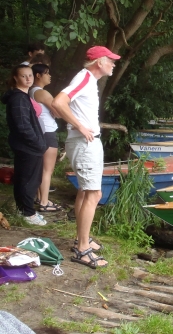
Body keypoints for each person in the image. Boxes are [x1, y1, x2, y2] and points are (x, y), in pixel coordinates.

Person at [52, 46, 120, 269]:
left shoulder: (88, 80)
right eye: (111, 60)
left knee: (85, 190)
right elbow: (58, 102)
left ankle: (83, 238)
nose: (113, 64)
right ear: (99, 62)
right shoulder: (85, 78)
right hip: (84, 142)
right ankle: (82, 250)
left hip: (88, 141)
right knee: (94, 192)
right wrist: (80, 126)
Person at [1, 65, 48, 225]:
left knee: (25, 179)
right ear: (16, 78)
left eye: (30, 75)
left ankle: (23, 210)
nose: (28, 79)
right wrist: (38, 144)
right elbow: (23, 126)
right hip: (27, 147)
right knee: (29, 180)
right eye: (23, 76)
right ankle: (27, 213)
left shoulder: (22, 96)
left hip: (28, 146)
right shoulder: (18, 98)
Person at [30, 64, 62, 212]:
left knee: (40, 168)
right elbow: (59, 112)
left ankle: (39, 197)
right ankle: (44, 201)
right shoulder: (42, 93)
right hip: (48, 132)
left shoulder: (30, 91)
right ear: (38, 75)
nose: (49, 76)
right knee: (47, 170)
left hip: (39, 132)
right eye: (47, 73)